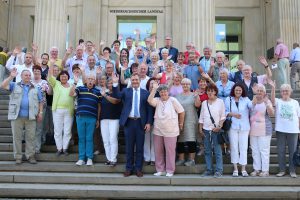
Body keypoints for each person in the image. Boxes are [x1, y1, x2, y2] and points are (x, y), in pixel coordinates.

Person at [112, 74, 153, 177]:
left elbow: (149, 109)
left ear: (139, 81)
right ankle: (128, 168)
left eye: (136, 80)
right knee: (129, 147)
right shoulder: (126, 91)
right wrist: (115, 83)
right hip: (129, 122)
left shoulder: (145, 93)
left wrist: (149, 122)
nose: (135, 81)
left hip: (140, 123)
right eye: (133, 80)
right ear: (131, 81)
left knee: (139, 147)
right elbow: (117, 96)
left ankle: (138, 169)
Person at [1, 69, 43, 164]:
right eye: (26, 75)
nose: (28, 77)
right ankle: (18, 157)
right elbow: (3, 85)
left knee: (31, 137)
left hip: (31, 117)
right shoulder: (14, 85)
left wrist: (40, 113)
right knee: (17, 137)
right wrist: (11, 77)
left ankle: (30, 156)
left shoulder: (36, 87)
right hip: (17, 116)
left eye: (29, 75)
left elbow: (41, 101)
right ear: (21, 76)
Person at [148, 83, 185, 177]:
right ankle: (160, 169)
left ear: (168, 92)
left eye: (165, 91)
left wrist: (180, 124)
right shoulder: (157, 100)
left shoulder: (173, 100)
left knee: (170, 151)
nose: (163, 93)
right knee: (158, 151)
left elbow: (181, 112)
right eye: (161, 92)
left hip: (171, 130)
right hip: (158, 130)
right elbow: (149, 100)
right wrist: (154, 89)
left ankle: (170, 170)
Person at [70, 73, 101, 166]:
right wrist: (75, 83)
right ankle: (81, 158)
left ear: (94, 81)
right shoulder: (80, 88)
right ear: (86, 80)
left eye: (92, 79)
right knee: (81, 138)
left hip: (92, 118)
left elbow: (99, 107)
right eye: (89, 79)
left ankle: (89, 158)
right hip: (80, 117)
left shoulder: (97, 92)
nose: (90, 80)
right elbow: (71, 94)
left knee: (89, 138)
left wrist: (98, 119)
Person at [270, 82, 300, 178]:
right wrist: (273, 88)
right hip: (280, 130)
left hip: (293, 130)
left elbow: (299, 117)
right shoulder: (278, 101)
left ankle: (292, 171)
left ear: (290, 92)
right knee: (281, 151)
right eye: (283, 91)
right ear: (281, 92)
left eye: (286, 90)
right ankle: (282, 170)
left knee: (293, 151)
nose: (285, 92)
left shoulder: (295, 102)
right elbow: (272, 100)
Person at [48, 59, 75, 156]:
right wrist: (51, 64)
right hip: (57, 110)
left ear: (68, 77)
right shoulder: (56, 84)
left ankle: (65, 148)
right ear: (60, 77)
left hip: (69, 111)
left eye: (65, 76)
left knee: (67, 130)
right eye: (62, 76)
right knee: (58, 130)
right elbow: (50, 76)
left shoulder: (72, 85)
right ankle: (59, 148)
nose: (64, 78)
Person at [225, 82, 252, 177]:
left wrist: (256, 96)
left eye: (240, 90)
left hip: (244, 127)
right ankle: (235, 168)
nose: (238, 92)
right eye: (236, 90)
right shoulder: (228, 99)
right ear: (233, 90)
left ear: (242, 91)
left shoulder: (246, 99)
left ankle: (243, 169)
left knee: (244, 148)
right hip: (233, 126)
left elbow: (252, 106)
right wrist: (233, 114)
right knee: (234, 147)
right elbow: (225, 112)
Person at [199, 84, 226, 177]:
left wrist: (219, 126)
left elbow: (223, 116)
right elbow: (201, 117)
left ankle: (219, 170)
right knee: (207, 150)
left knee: (218, 151)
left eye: (212, 91)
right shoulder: (204, 103)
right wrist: (200, 129)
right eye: (208, 91)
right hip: (206, 130)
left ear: (215, 92)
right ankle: (209, 169)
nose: (210, 92)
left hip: (216, 130)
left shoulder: (220, 102)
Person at [249, 83, 274, 177]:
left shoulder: (267, 101)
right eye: (258, 91)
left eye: (261, 91)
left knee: (264, 150)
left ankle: (265, 170)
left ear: (264, 93)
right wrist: (253, 104)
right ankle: (257, 169)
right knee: (255, 150)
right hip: (253, 129)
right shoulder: (253, 101)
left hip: (264, 129)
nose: (259, 92)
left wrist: (267, 103)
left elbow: (272, 114)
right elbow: (248, 113)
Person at [175, 78, 200, 166]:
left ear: (190, 85)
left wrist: (197, 96)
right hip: (179, 120)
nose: (185, 85)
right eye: (184, 84)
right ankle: (181, 159)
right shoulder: (177, 96)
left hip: (191, 119)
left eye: (187, 84)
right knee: (180, 140)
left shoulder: (194, 95)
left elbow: (198, 105)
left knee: (190, 139)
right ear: (181, 85)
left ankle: (191, 160)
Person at [100, 78, 122, 166]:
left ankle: (113, 159)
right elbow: (100, 106)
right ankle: (108, 159)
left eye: (112, 83)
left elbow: (116, 101)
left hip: (114, 119)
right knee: (106, 140)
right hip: (103, 119)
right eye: (109, 83)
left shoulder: (118, 93)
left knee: (113, 139)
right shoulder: (103, 93)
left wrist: (105, 95)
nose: (110, 84)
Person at [31, 65, 49, 153]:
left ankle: (37, 148)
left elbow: (48, 91)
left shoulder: (44, 82)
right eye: (35, 70)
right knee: (30, 128)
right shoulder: (29, 81)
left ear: (40, 72)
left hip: (41, 107)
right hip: (30, 107)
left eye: (38, 70)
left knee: (38, 128)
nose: (36, 72)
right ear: (33, 71)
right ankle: (30, 147)